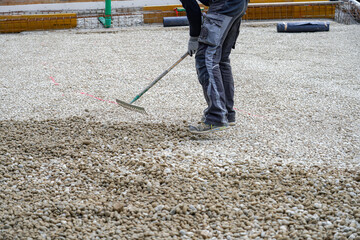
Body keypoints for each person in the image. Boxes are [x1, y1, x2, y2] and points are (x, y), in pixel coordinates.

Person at [179, 0, 249, 134]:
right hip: (238, 3)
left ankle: (216, 116)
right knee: (221, 58)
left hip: (224, 4)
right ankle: (227, 113)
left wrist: (194, 37)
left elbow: (192, 6)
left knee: (206, 58)